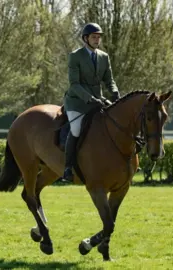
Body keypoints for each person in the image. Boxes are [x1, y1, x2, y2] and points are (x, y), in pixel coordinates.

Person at [62, 22, 120, 182]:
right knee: (76, 129)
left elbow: (109, 80)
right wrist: (89, 98)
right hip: (78, 102)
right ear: (85, 38)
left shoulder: (104, 56)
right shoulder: (75, 56)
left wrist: (114, 91)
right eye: (94, 37)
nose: (97, 40)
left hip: (97, 99)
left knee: (116, 121)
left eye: (99, 37)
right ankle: (67, 167)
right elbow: (74, 84)